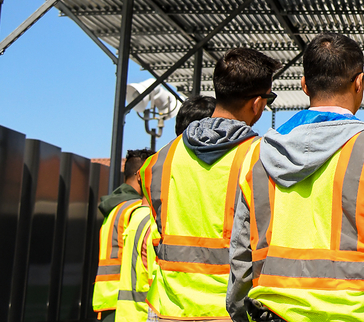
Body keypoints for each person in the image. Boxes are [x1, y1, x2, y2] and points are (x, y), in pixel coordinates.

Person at [226, 33, 364, 322]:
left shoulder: (257, 157)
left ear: (305, 85)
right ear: (359, 83)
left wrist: (240, 314)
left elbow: (240, 256)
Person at [142, 48, 275, 322]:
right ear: (258, 104)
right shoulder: (261, 160)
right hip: (231, 313)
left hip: (167, 311)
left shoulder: (158, 161)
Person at [94, 149, 155, 318]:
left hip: (108, 298)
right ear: (140, 175)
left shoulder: (116, 207)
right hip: (127, 302)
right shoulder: (137, 210)